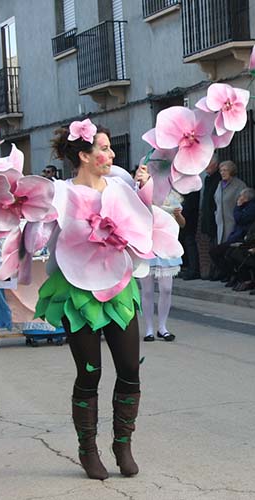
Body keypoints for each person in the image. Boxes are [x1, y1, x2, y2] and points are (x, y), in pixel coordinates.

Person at [39, 121, 164, 479]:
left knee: (130, 368)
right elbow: (37, 232)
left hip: (119, 287)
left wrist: (145, 191)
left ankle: (122, 445)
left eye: (110, 149)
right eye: (104, 149)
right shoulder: (60, 193)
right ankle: (88, 450)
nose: (111, 155)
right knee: (89, 372)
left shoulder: (123, 183)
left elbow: (144, 222)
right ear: (84, 155)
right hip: (77, 291)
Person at [141, 189, 185, 343]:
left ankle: (162, 327)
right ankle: (148, 329)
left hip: (167, 247)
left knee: (166, 289)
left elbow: (182, 223)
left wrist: (178, 215)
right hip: (149, 246)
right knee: (147, 291)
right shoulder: (143, 195)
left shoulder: (173, 198)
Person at [209, 187, 255, 284]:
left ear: (246, 198)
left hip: (243, 238)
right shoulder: (244, 206)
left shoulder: (254, 207)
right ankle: (231, 274)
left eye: (241, 196)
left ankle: (236, 276)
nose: (239, 198)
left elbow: (240, 218)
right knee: (216, 251)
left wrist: (237, 207)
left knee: (227, 253)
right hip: (235, 236)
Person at [214, 160, 247, 248]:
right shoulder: (219, 184)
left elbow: (243, 204)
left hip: (232, 223)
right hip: (220, 224)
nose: (222, 173)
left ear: (231, 171)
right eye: (221, 170)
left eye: (225, 170)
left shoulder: (239, 185)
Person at [199, 155, 222, 279]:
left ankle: (217, 271)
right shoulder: (208, 179)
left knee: (216, 245)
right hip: (208, 217)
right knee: (211, 244)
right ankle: (212, 271)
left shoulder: (218, 179)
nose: (205, 167)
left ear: (215, 165)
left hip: (215, 217)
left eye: (208, 164)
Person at [178, 187, 200, 280]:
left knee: (190, 244)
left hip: (190, 220)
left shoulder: (193, 188)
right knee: (185, 244)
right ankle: (187, 267)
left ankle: (193, 270)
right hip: (184, 218)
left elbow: (190, 205)